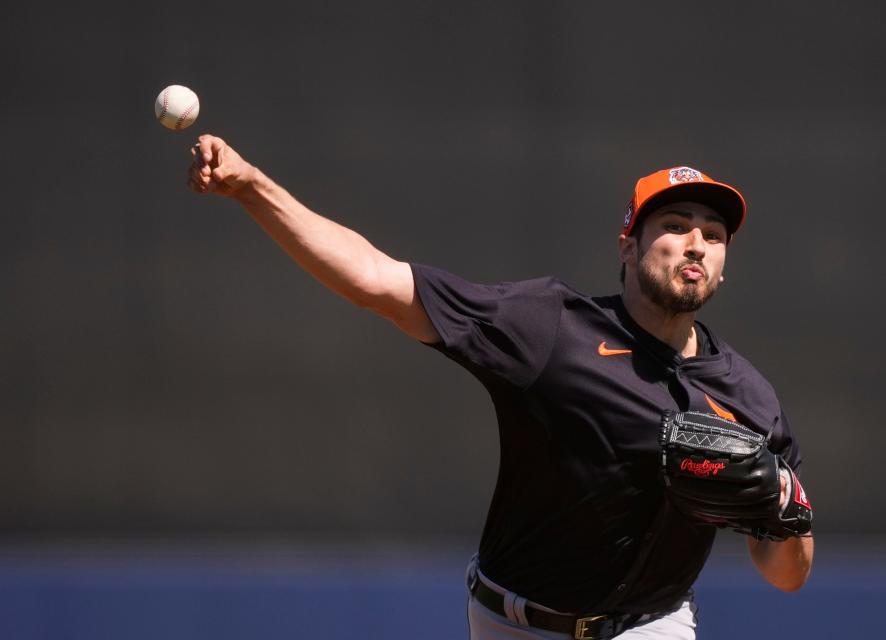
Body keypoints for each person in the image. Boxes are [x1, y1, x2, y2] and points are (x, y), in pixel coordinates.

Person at [186, 136, 814, 640]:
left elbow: (788, 576)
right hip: (518, 621)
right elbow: (376, 280)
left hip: (654, 625)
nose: (696, 244)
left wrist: (785, 515)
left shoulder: (749, 399)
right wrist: (251, 187)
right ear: (628, 246)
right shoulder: (551, 329)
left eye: (713, 234)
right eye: (674, 225)